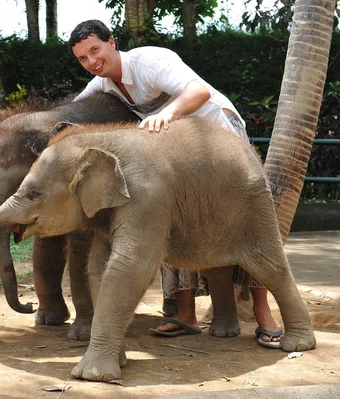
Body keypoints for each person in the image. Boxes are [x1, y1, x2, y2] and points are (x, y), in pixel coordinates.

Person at [68, 19, 283, 348]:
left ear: (112, 42)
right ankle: (186, 313)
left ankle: (263, 311)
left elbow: (200, 91)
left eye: (95, 50)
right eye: (83, 58)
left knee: (247, 225)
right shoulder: (104, 85)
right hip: (180, 158)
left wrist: (166, 115)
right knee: (168, 220)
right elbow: (71, 113)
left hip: (221, 143)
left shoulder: (149, 62)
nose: (91, 62)